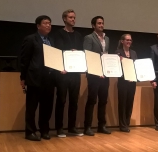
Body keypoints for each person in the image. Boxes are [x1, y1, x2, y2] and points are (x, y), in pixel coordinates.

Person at [20, 15, 55, 141]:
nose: (48, 25)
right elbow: (24, 60)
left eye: (50, 23)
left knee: (47, 107)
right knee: (32, 107)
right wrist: (22, 77)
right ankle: (30, 132)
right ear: (38, 26)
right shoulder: (30, 39)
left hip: (49, 79)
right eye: (45, 23)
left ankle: (44, 130)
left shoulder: (51, 40)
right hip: (35, 78)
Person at [54, 9, 83, 137]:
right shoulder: (58, 34)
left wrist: (77, 53)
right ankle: (59, 128)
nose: (73, 19)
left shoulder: (78, 35)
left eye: (74, 17)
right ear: (64, 19)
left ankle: (72, 127)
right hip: (63, 73)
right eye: (70, 17)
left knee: (74, 101)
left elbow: (82, 52)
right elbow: (57, 51)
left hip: (75, 73)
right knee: (61, 100)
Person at [83, 16, 111, 136]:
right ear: (93, 25)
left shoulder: (107, 38)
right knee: (92, 100)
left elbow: (106, 55)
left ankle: (101, 125)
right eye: (99, 23)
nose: (101, 25)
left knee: (103, 101)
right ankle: (87, 127)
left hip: (105, 74)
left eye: (102, 23)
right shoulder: (89, 38)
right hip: (94, 74)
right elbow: (88, 55)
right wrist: (97, 71)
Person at [116, 34, 137, 132]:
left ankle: (127, 123)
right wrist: (119, 62)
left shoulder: (134, 53)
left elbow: (136, 66)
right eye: (127, 40)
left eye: (130, 40)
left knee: (130, 102)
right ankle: (122, 125)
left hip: (132, 82)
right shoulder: (118, 53)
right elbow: (116, 68)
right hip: (123, 82)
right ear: (122, 41)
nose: (129, 42)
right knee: (122, 103)